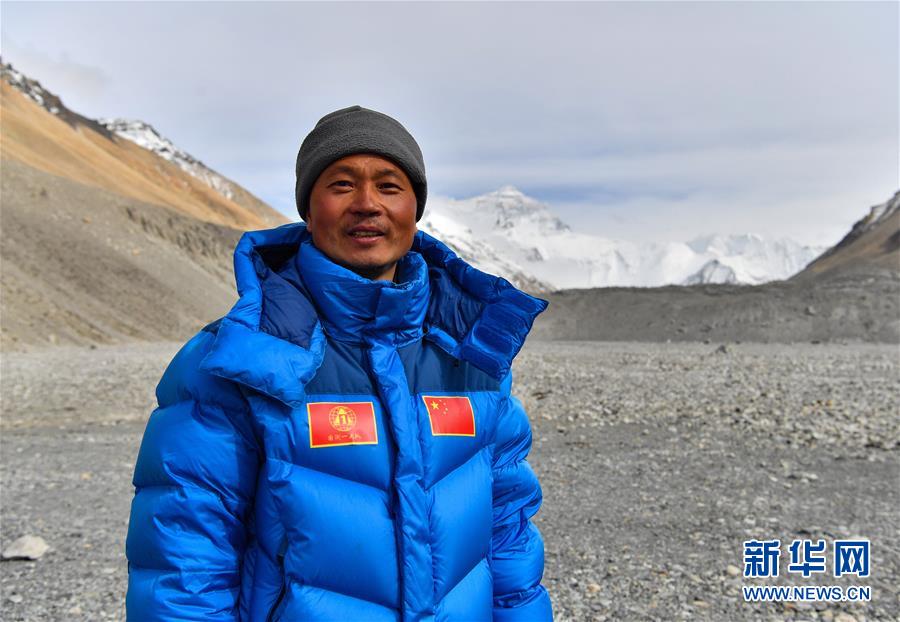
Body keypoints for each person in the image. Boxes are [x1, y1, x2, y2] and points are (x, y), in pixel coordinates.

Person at [125, 105, 553, 621]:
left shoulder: (470, 356)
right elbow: (185, 561)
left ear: (415, 210)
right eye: (342, 185)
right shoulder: (240, 360)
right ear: (309, 209)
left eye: (390, 186)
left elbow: (507, 532)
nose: (367, 204)